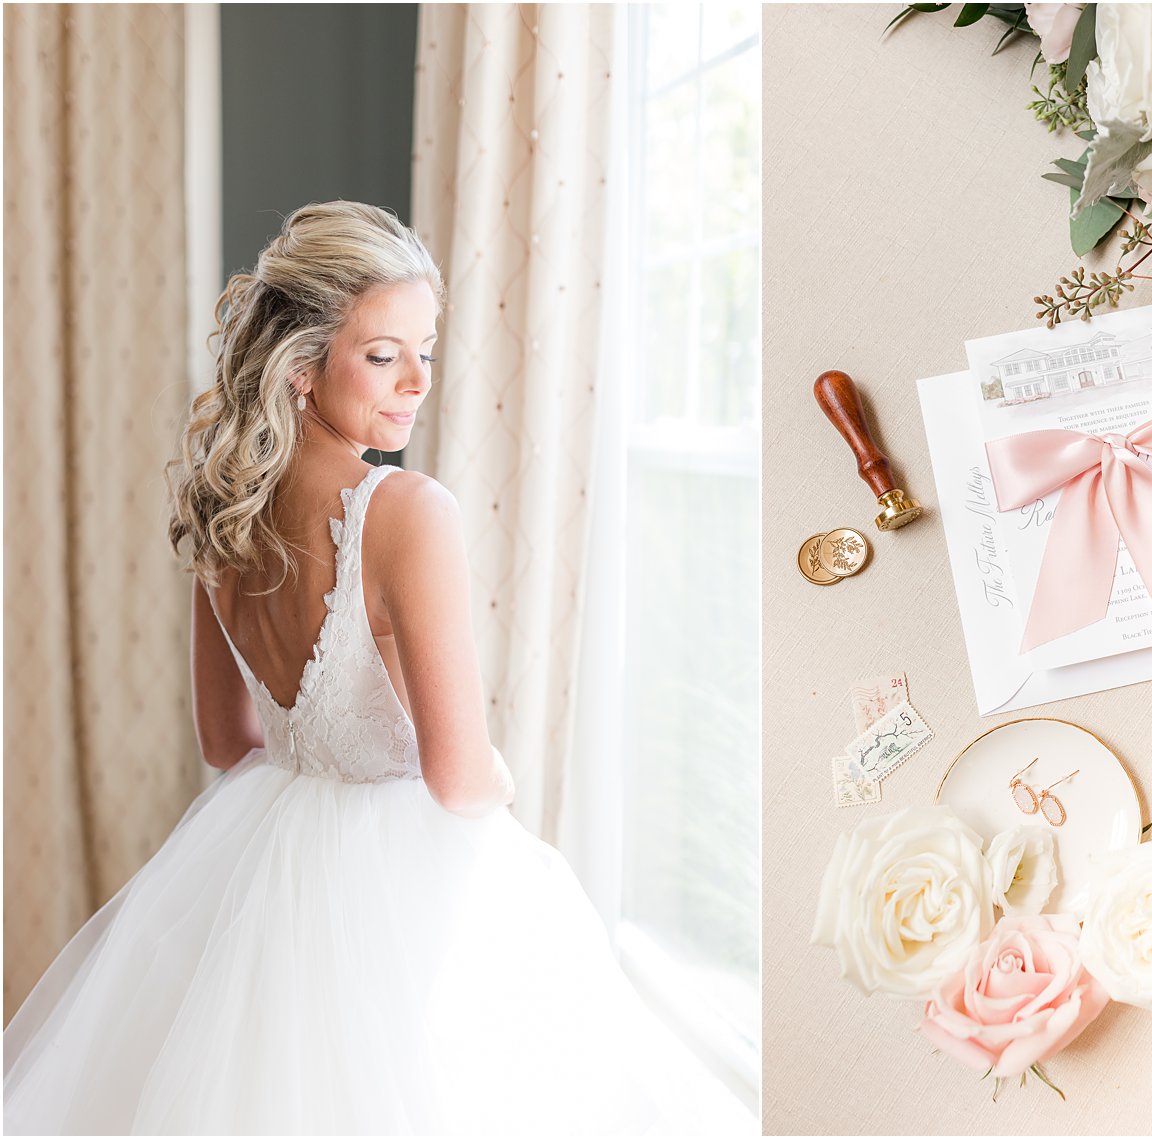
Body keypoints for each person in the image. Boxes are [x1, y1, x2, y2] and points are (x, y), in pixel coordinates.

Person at [2, 201, 753, 1135]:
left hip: (268, 846)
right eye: (383, 354)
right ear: (303, 365)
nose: (417, 382)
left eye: (426, 350)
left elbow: (226, 739)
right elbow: (459, 776)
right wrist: (504, 771)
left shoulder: (225, 509)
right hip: (406, 875)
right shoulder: (405, 509)